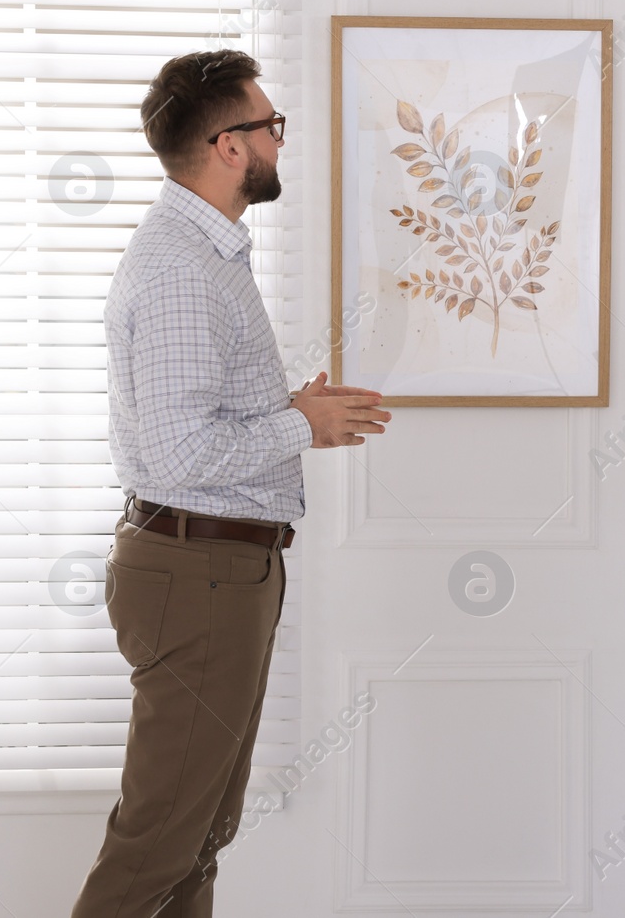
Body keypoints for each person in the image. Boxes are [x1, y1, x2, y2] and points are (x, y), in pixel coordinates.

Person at [72, 50, 391, 918]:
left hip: (216, 569)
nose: (278, 142)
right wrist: (302, 425)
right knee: (159, 843)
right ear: (226, 144)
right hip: (198, 572)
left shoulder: (202, 251)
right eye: (269, 127)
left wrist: (286, 408)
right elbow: (179, 455)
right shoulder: (181, 267)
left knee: (198, 836)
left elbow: (192, 422)